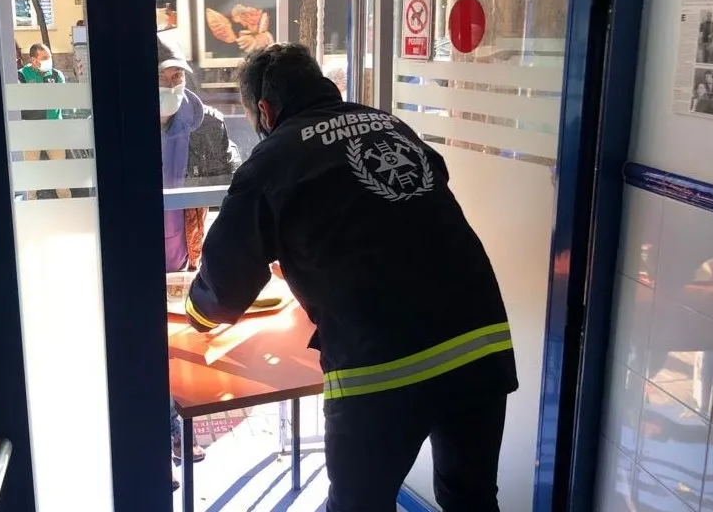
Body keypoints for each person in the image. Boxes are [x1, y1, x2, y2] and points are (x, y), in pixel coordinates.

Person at [183, 43, 518, 511]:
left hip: (379, 364)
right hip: (479, 342)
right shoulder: (390, 126)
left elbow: (224, 287)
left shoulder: (273, 158)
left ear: (264, 109)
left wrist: (195, 312)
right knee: (472, 497)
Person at [156, 35, 239, 490]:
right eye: (164, 77)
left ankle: (174, 429)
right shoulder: (118, 121)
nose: (174, 84)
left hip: (182, 257)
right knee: (147, 353)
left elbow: (231, 177)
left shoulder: (207, 123)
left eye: (178, 76)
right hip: (133, 259)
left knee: (178, 352)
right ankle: (164, 439)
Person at [17, 43, 70, 199]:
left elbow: (61, 98)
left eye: (50, 57)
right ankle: (31, 209)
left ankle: (68, 206)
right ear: (34, 60)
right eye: (45, 58)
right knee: (31, 174)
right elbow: (22, 101)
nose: (49, 60)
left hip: (54, 130)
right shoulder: (22, 75)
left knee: (61, 173)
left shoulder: (56, 75)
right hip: (31, 131)